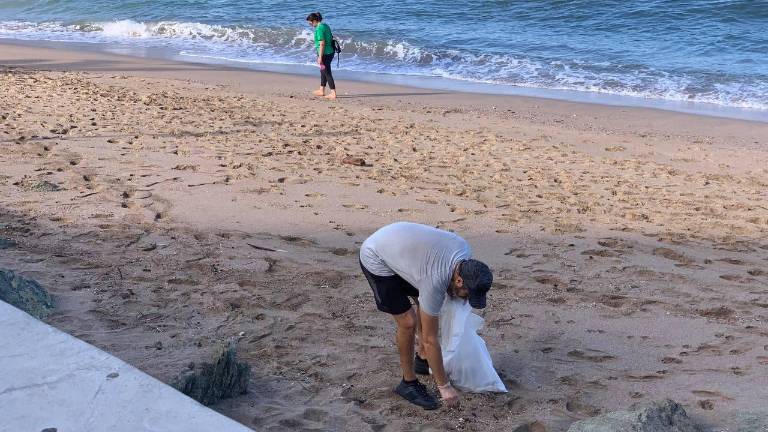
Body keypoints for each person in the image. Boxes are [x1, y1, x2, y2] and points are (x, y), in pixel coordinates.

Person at [359, 222, 493, 410]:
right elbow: (431, 339)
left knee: (426, 306)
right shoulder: (436, 279)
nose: (465, 300)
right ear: (460, 280)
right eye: (467, 295)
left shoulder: (464, 254)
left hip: (404, 249)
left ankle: (422, 359)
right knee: (408, 322)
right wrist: (444, 387)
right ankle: (408, 383)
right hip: (376, 256)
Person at [306, 12, 337, 100]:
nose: (310, 25)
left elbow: (322, 43)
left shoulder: (319, 29)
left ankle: (333, 93)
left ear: (315, 21)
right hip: (330, 51)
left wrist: (320, 57)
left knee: (327, 72)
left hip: (325, 53)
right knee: (323, 71)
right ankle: (321, 90)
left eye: (310, 23)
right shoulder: (325, 25)